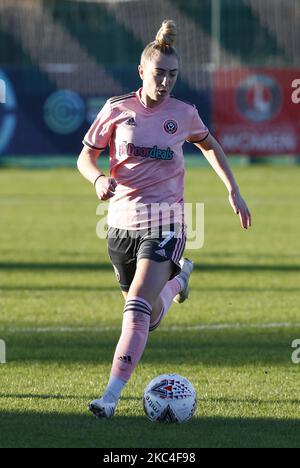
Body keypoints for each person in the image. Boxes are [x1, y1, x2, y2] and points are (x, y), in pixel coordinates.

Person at [77, 19, 251, 419]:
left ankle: (109, 397)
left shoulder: (184, 114)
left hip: (167, 221)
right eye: (160, 74)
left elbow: (210, 145)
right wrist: (98, 178)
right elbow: (86, 156)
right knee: (148, 315)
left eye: (173, 75)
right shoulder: (116, 109)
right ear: (142, 71)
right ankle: (178, 283)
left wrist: (232, 189)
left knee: (137, 304)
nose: (167, 82)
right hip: (120, 224)